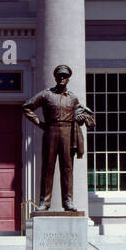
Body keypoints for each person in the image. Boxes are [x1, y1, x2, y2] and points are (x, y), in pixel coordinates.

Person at [22, 64, 95, 212]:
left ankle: (68, 201)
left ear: (68, 79)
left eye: (65, 76)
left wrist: (82, 118)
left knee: (67, 169)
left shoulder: (73, 98)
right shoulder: (46, 94)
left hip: (68, 133)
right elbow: (27, 107)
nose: (62, 78)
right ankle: (44, 202)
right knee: (48, 168)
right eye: (60, 75)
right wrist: (39, 123)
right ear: (55, 77)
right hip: (51, 131)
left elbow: (79, 117)